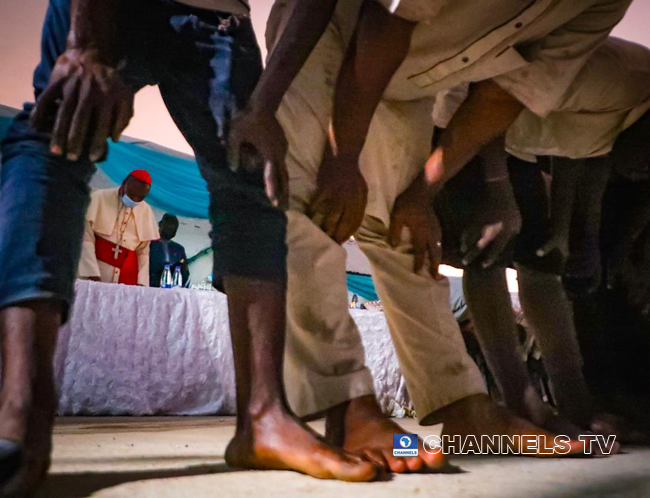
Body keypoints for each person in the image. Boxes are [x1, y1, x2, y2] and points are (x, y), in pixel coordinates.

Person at [230, 0, 631, 466]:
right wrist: (344, 157)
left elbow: (503, 93)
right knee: (307, 202)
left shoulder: (602, 4)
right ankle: (348, 407)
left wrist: (424, 189)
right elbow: (385, 22)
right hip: (337, 31)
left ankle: (465, 409)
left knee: (405, 229)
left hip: (415, 80)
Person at [0, 0, 377, 495]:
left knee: (252, 173)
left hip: (218, 16)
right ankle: (21, 406)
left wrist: (263, 107)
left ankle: (263, 415)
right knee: (62, 131)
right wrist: (86, 44)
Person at [431, 36, 650, 445]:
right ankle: (519, 401)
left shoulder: (626, 113)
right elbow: (490, 82)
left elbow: (577, 149)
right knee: (487, 249)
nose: (641, 172)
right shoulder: (625, 79)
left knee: (543, 258)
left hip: (517, 134)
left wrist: (568, 230)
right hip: (464, 112)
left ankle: (573, 399)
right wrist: (497, 189)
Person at [78, 170, 159, 286]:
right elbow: (86, 239)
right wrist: (92, 274)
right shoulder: (99, 197)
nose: (135, 200)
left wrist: (142, 284)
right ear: (124, 183)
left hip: (126, 279)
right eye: (132, 194)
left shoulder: (146, 211)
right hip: (95, 274)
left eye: (140, 197)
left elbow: (143, 253)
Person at [150, 213, 190, 288]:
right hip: (151, 288)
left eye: (173, 227)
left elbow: (185, 273)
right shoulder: (149, 245)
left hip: (173, 290)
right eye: (168, 226)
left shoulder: (179, 249)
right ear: (160, 225)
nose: (170, 229)